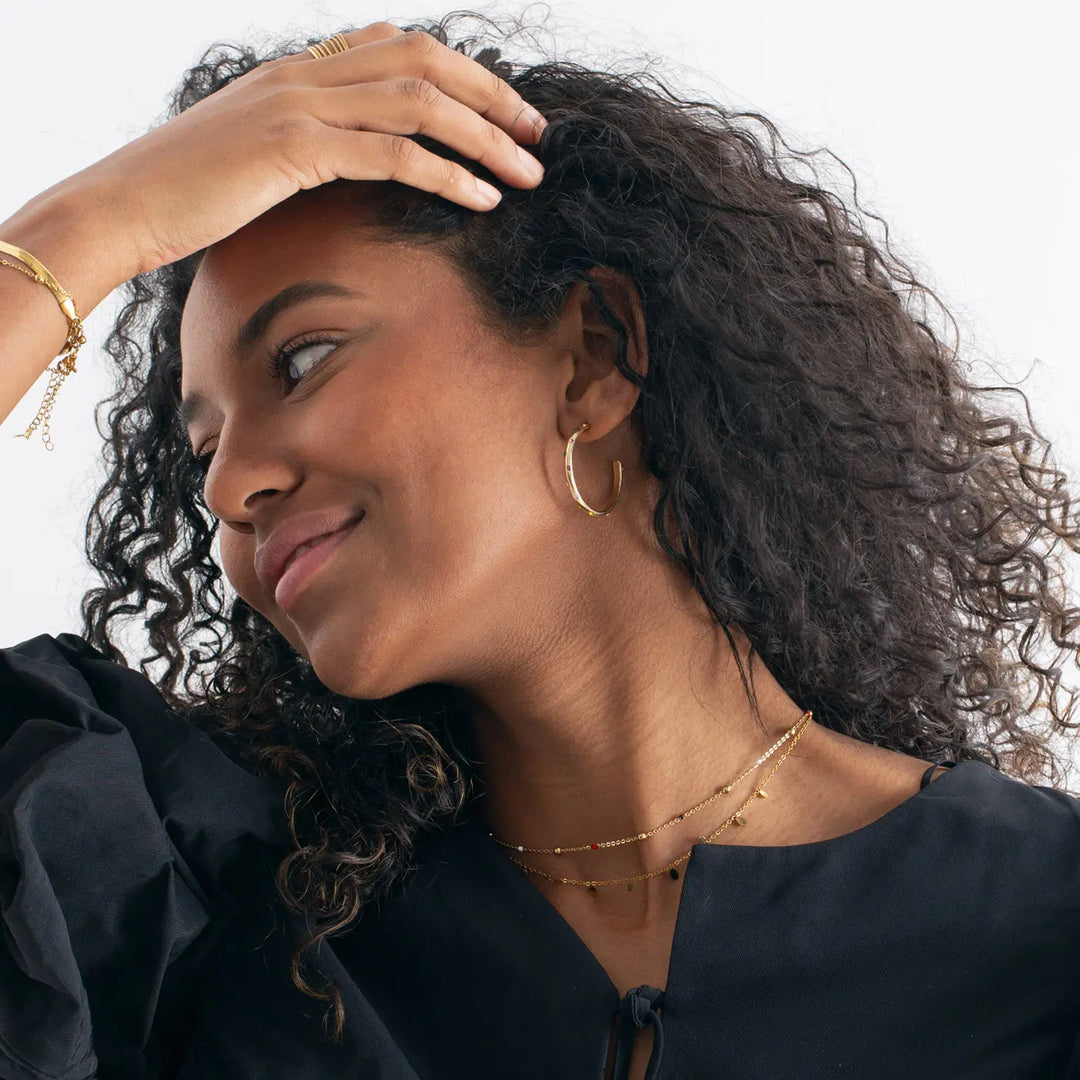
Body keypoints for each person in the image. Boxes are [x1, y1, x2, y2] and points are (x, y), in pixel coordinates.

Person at [1, 12, 1079, 1080]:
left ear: (593, 358)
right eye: (203, 454)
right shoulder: (187, 906)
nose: (230, 488)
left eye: (304, 358)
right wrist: (91, 225)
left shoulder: (1041, 924)